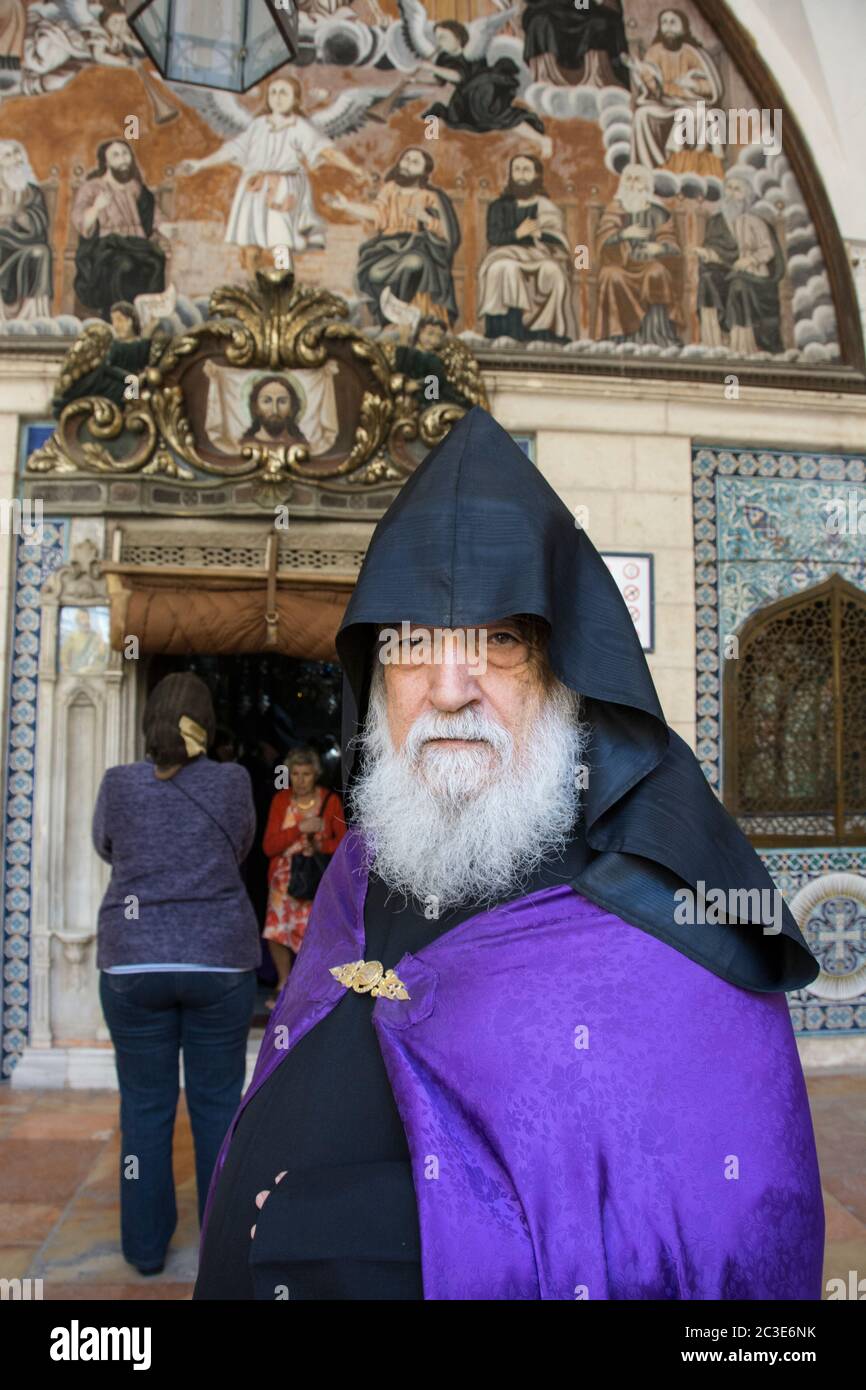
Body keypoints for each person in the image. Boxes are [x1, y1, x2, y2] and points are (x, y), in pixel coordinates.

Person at [194, 406, 823, 1301]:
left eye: (498, 640)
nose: (450, 688)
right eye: (413, 642)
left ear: (565, 670)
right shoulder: (358, 869)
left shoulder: (664, 921)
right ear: (376, 677)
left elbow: (728, 1244)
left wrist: (350, 1234)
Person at [93, 672, 261, 1277]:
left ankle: (144, 1250)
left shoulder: (119, 783)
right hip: (218, 960)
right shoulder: (233, 781)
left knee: (144, 1107)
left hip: (133, 961)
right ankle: (220, 1246)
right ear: (206, 724)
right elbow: (241, 847)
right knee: (217, 1106)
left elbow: (106, 847)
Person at [177, 76, 363, 273]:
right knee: (249, 243)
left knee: (280, 242)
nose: (277, 97)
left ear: (295, 99)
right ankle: (254, 287)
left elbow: (327, 151)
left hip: (283, 187)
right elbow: (233, 149)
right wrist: (200, 164)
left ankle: (283, 284)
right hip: (253, 188)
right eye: (273, 92)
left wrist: (354, 169)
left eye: (284, 93)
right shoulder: (258, 125)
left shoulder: (300, 126)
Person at [329, 145, 460, 327]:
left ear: (424, 171)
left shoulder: (430, 196)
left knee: (414, 262)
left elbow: (446, 234)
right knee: (374, 274)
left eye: (414, 162)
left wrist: (426, 219)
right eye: (405, 159)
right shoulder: (390, 190)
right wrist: (347, 206)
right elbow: (376, 213)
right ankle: (391, 313)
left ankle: (399, 312)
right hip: (388, 246)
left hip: (418, 245)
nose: (407, 164)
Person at [261, 748, 346, 1010]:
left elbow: (344, 843)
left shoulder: (329, 800)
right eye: (295, 774)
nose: (300, 780)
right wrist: (299, 829)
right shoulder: (280, 801)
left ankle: (309, 985)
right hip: (283, 880)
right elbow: (268, 846)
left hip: (316, 879)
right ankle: (284, 983)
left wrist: (320, 848)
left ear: (315, 775)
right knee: (277, 932)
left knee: (314, 931)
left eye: (306, 774)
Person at [477, 152, 576, 343]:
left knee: (553, 271)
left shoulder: (546, 207)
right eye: (517, 170)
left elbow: (560, 240)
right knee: (504, 268)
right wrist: (517, 234)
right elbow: (494, 236)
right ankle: (506, 330)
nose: (521, 175)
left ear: (536, 176)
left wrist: (540, 235)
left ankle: (545, 330)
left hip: (538, 254)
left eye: (526, 170)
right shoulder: (499, 206)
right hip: (504, 253)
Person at [71, 139, 166, 320]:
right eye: (116, 155)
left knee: (155, 260)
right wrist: (96, 208)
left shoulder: (135, 187)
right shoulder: (92, 187)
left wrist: (166, 228)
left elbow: (154, 216)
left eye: (125, 154)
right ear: (106, 162)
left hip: (137, 244)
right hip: (106, 247)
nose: (123, 160)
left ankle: (147, 315)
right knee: (124, 264)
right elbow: (80, 220)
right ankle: (118, 317)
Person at [695, 169, 785, 355]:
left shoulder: (754, 221)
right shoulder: (717, 221)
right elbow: (721, 253)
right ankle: (714, 342)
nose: (731, 193)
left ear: (747, 196)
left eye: (737, 189)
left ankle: (743, 346)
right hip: (728, 272)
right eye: (729, 188)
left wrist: (750, 260)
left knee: (739, 285)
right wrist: (708, 254)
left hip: (756, 277)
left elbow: (767, 250)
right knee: (708, 279)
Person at [594, 162, 682, 345]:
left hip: (648, 263)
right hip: (620, 264)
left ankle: (655, 336)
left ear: (647, 185)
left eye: (638, 180)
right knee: (611, 276)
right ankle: (617, 337)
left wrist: (659, 248)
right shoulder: (614, 210)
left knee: (657, 273)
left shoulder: (658, 213)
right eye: (628, 179)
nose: (632, 184)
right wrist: (623, 235)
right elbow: (599, 242)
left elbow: (671, 242)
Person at [0, 138, 52, 321]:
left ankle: (34, 314)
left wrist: (19, 215)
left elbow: (40, 224)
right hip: (2, 243)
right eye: (8, 156)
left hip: (27, 244)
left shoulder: (32, 192)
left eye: (18, 155)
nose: (15, 159)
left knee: (41, 252)